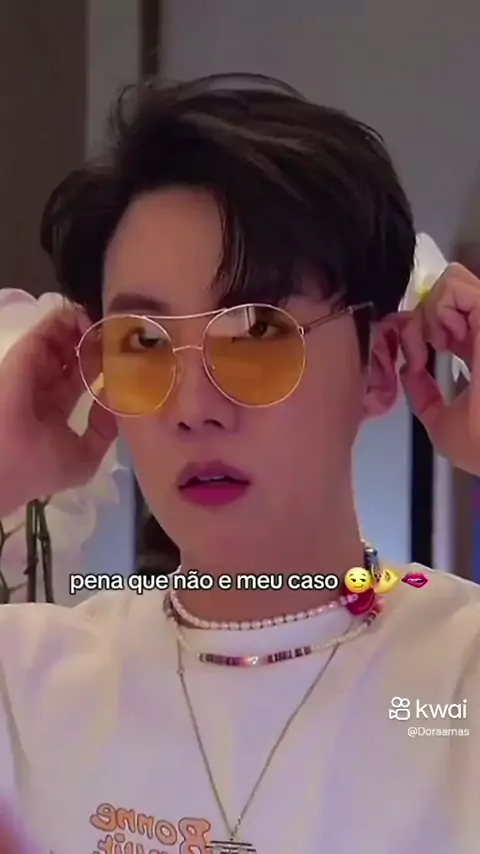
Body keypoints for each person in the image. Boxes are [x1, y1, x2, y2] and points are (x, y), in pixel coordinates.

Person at [0, 73, 480, 854]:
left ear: (378, 364)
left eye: (257, 332)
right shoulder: (27, 687)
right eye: (144, 343)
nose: (194, 406)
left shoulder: (459, 679)